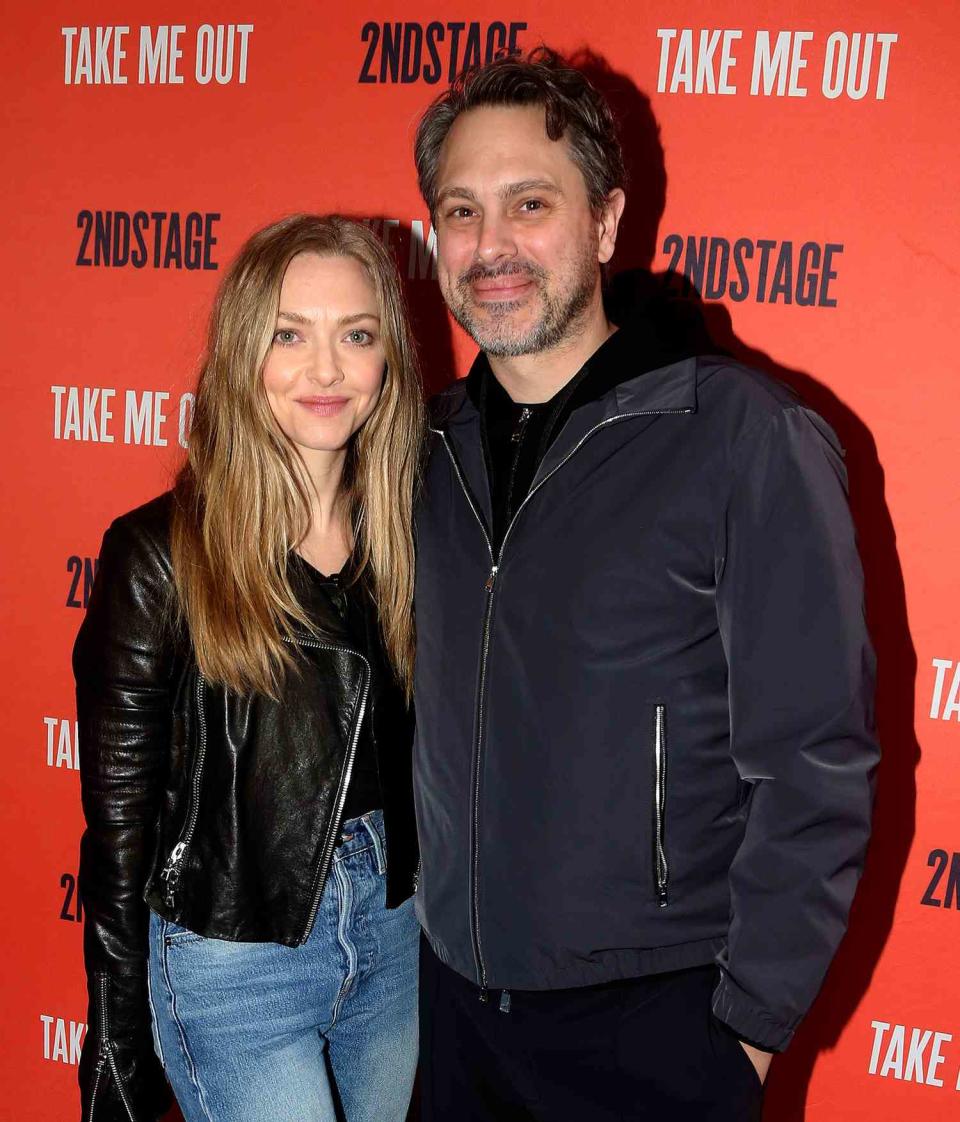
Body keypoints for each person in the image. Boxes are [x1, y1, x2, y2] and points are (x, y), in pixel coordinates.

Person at [410, 48, 879, 1121]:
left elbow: (816, 764)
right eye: (462, 210)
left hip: (654, 1034)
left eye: (531, 204)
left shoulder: (741, 438)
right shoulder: (425, 449)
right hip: (455, 1023)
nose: (492, 248)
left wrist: (746, 1035)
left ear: (607, 223)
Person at [74, 214, 424, 1122]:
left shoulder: (415, 537)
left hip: (393, 934)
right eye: (288, 334)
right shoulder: (159, 554)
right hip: (236, 955)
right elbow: (118, 829)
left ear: (389, 359)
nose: (326, 370)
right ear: (241, 354)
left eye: (356, 335)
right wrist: (113, 1029)